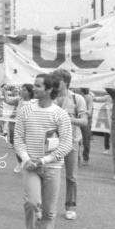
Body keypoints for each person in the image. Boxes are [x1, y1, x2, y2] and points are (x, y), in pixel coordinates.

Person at [14, 74, 73, 229]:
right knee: (31, 203)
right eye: (34, 85)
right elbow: (18, 138)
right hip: (30, 166)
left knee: (49, 210)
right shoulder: (26, 110)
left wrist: (44, 160)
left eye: (38, 86)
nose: (34, 88)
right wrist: (26, 159)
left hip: (52, 167)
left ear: (49, 89)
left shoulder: (60, 114)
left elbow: (66, 144)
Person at [51, 69, 87, 221]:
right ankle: (48, 207)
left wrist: (65, 117)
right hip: (51, 142)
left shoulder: (77, 99)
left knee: (71, 176)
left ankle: (70, 207)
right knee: (49, 175)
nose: (54, 82)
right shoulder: (49, 97)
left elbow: (84, 122)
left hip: (71, 141)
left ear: (66, 82)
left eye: (58, 80)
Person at [1, 84, 34, 173]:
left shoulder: (34, 102)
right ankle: (20, 162)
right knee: (18, 146)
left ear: (30, 92)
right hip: (19, 126)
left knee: (29, 147)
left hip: (30, 127)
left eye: (24, 90)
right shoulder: (19, 100)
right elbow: (8, 101)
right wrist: (5, 92)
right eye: (21, 89)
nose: (21, 91)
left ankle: (29, 163)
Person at [77, 88, 94, 166]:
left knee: (86, 140)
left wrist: (87, 112)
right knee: (76, 140)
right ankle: (77, 158)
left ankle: (85, 158)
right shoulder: (75, 96)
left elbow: (90, 108)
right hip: (77, 119)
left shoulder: (88, 97)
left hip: (86, 119)